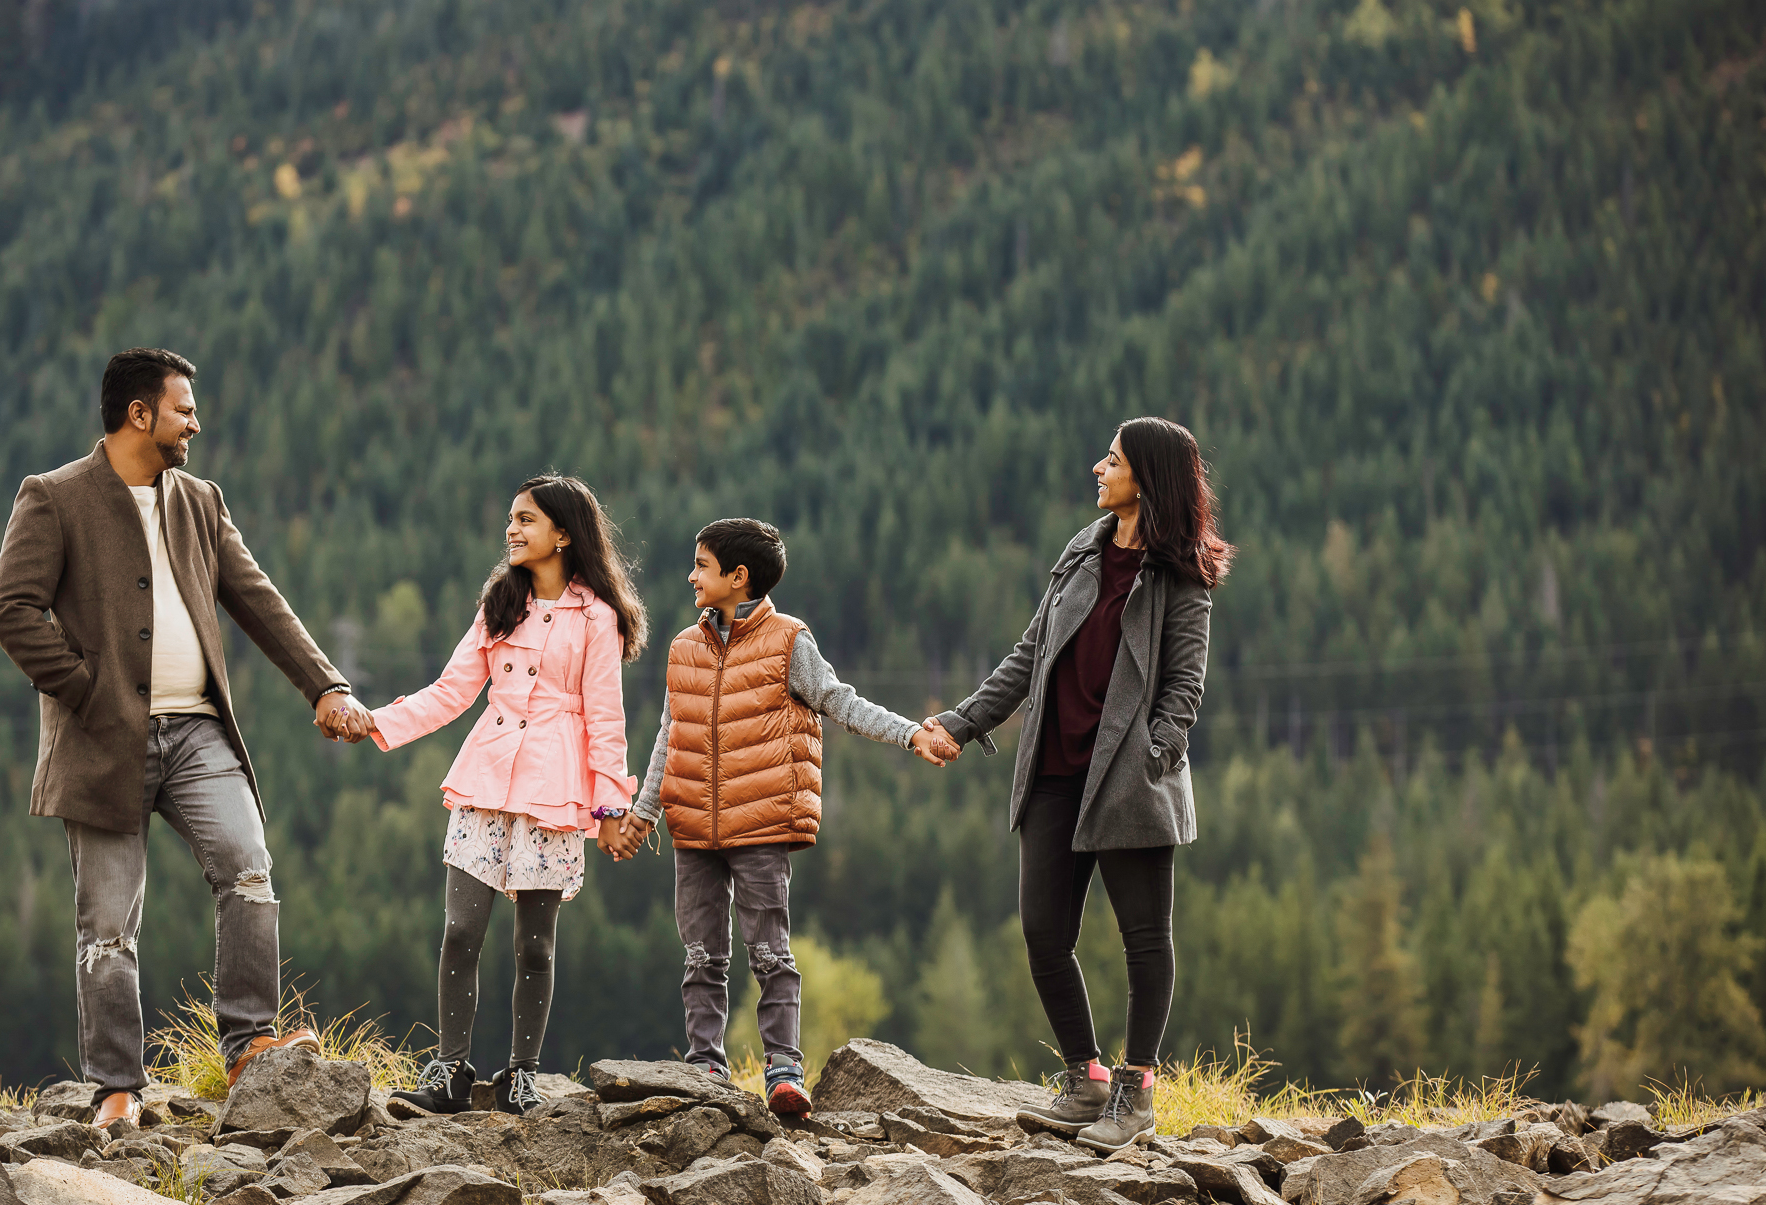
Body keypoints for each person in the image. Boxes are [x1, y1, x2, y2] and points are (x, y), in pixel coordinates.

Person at [0, 348, 374, 1129]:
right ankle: (117, 1088)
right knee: (107, 923)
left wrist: (326, 684)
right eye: (184, 409)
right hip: (100, 738)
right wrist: (85, 688)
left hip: (198, 729)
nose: (196, 421)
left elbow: (258, 600)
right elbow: (10, 610)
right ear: (140, 414)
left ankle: (249, 1045)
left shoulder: (200, 500)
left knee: (248, 869)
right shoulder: (54, 497)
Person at [916, 417, 1232, 1152]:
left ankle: (1138, 1088)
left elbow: (1185, 684)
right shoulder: (1080, 551)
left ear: (1145, 478)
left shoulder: (1182, 573)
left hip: (1129, 781)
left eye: (1112, 460)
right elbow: (1029, 656)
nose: (1098, 467)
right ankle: (1086, 1076)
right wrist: (960, 724)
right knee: (1042, 934)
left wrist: (1156, 753)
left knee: (1144, 940)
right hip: (1055, 770)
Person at [623, 518, 950, 1116]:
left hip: (762, 826)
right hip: (693, 826)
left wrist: (911, 736)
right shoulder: (683, 648)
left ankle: (782, 1070)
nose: (691, 575)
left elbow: (840, 701)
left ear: (737, 577)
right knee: (701, 956)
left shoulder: (789, 641)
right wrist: (644, 814)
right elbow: (671, 733)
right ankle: (705, 1066)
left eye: (702, 564)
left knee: (770, 952)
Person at [358, 476, 646, 1117]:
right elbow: (450, 691)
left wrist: (609, 809)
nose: (512, 530)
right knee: (460, 931)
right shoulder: (500, 604)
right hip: (486, 779)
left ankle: (521, 1073)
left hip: (554, 789)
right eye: (510, 520)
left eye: (526, 520)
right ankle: (451, 1069)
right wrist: (377, 721)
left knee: (534, 944)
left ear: (564, 535)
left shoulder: (596, 619)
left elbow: (606, 720)